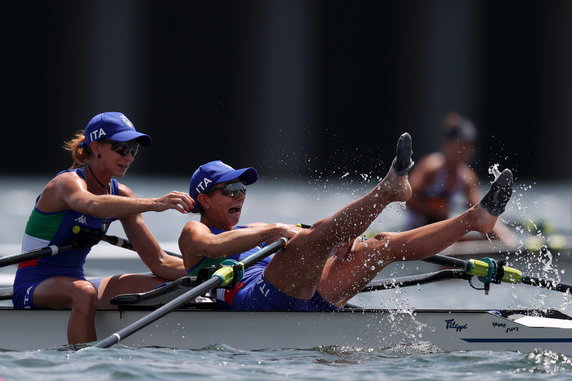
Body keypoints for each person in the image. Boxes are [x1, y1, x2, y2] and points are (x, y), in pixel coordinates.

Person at [178, 133, 514, 311]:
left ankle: (475, 218)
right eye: (231, 190)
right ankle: (387, 191)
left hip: (309, 295)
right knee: (311, 239)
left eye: (243, 189)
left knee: (381, 245)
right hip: (255, 299)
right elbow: (213, 246)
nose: (241, 196)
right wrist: (280, 231)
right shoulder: (194, 231)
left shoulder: (251, 230)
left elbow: (308, 233)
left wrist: (331, 236)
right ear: (204, 199)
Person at [12, 112, 195, 344]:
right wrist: (156, 204)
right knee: (84, 293)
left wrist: (210, 269)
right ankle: (86, 365)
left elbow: (158, 260)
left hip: (76, 281)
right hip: (34, 284)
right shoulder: (66, 183)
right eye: (121, 148)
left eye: (133, 150)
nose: (128, 157)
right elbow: (91, 205)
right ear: (96, 147)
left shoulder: (122, 195)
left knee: (167, 288)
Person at [405, 112, 514, 243]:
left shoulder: (467, 177)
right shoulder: (431, 167)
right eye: (461, 145)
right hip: (415, 230)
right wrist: (434, 208)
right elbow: (406, 199)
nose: (465, 151)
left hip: (441, 231)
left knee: (487, 233)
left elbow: (481, 210)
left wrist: (506, 238)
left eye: (469, 147)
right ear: (447, 145)